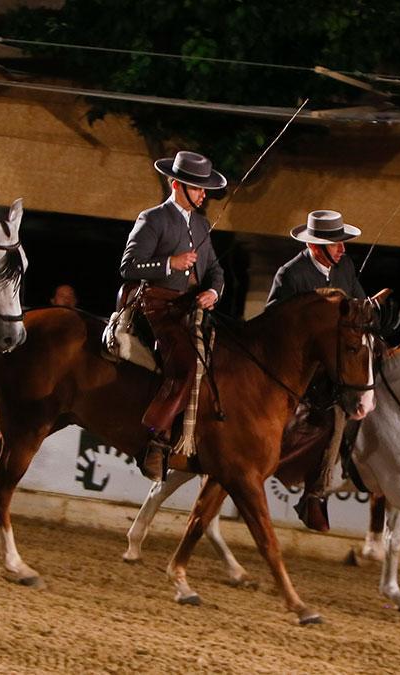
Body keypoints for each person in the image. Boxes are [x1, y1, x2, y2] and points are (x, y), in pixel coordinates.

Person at [120, 150, 225, 480]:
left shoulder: (202, 223)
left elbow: (216, 270)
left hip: (191, 307)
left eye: (204, 189)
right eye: (197, 188)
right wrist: (170, 264)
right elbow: (129, 266)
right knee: (186, 363)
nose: (203, 194)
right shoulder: (152, 219)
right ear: (177, 185)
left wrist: (213, 292)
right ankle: (155, 437)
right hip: (156, 303)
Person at [266, 210, 367, 530]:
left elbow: (359, 305)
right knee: (339, 412)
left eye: (341, 244)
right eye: (337, 244)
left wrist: (372, 309)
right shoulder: (290, 274)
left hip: (338, 361)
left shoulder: (346, 268)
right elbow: (273, 319)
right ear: (316, 247)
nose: (343, 249)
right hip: (302, 366)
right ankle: (316, 493)